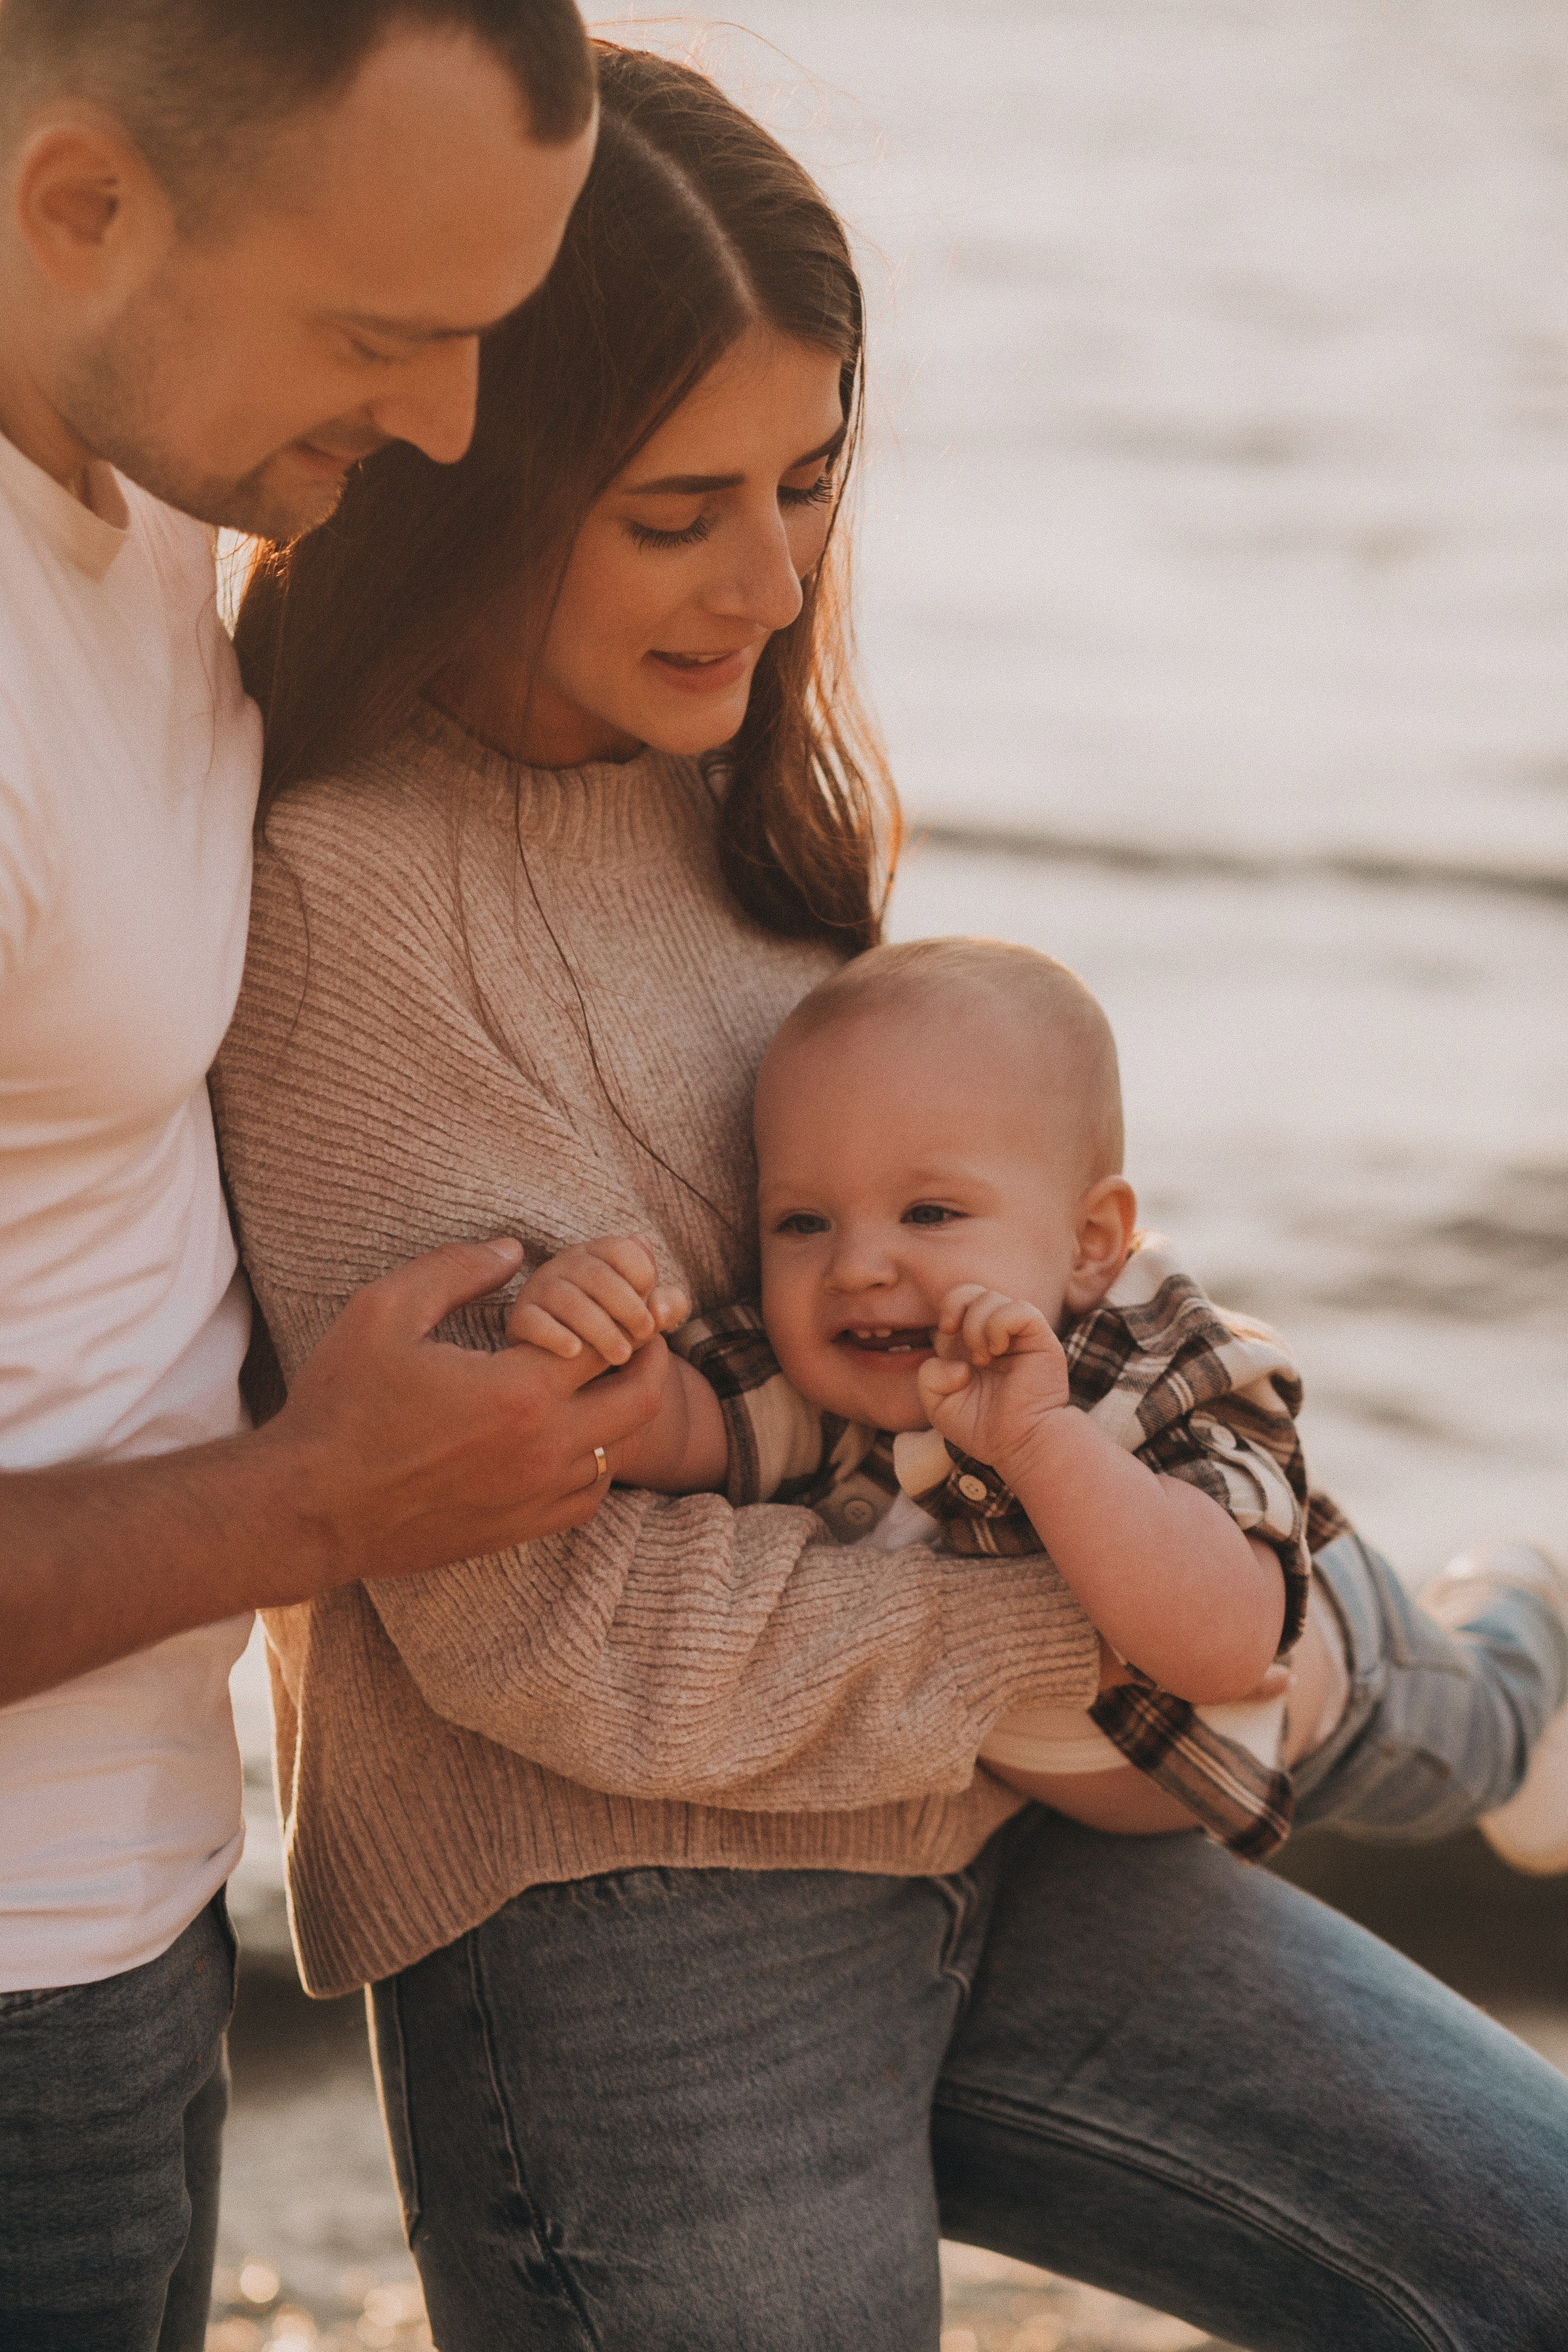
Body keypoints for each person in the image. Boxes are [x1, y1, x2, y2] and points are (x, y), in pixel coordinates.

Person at [215, 42, 1568, 2352]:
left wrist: (1152, 1506)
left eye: (811, 481)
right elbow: (529, 1623)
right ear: (467, 480)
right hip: (636, 1933)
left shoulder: (729, 803)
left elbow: (906, 1321)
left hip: (995, 1825)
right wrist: (1133, 1633)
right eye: (677, 511)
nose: (768, 576)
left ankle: (1498, 1685)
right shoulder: (338, 902)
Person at [0, 7, 627, 2348]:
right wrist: (318, 1503)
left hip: (126, 1911)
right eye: (391, 336)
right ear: (83, 206)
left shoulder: (147, 461)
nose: (456, 420)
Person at [514, 934, 1568, 1866]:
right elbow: (686, 1432)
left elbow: (1229, 1645)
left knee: (1487, 1735)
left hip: (1345, 1687)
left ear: (1091, 1242)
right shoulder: (832, 1382)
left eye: (928, 1211)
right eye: (802, 1223)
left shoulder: (1153, 1370)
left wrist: (1039, 1439)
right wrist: (600, 1348)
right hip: (1087, 1818)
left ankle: (1524, 1609)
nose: (858, 1266)